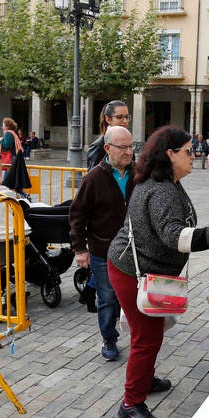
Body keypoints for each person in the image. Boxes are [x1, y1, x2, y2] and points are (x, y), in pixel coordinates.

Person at [106, 125, 209, 418]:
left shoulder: (166, 182)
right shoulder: (162, 190)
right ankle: (131, 403)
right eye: (187, 151)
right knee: (147, 337)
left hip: (143, 268)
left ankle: (144, 378)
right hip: (132, 270)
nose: (193, 155)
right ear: (170, 154)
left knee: (152, 331)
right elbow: (175, 236)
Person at [69, 126, 135, 362]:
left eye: (131, 146)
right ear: (108, 148)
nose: (129, 151)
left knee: (135, 297)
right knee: (107, 298)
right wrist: (80, 248)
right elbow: (77, 215)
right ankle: (109, 338)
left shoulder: (138, 174)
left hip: (134, 251)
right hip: (103, 251)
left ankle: (139, 336)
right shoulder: (94, 178)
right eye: (123, 147)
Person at [87, 100, 130, 170]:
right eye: (119, 117)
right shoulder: (98, 146)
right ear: (108, 119)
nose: (125, 121)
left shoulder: (128, 143)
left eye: (127, 117)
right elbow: (92, 178)